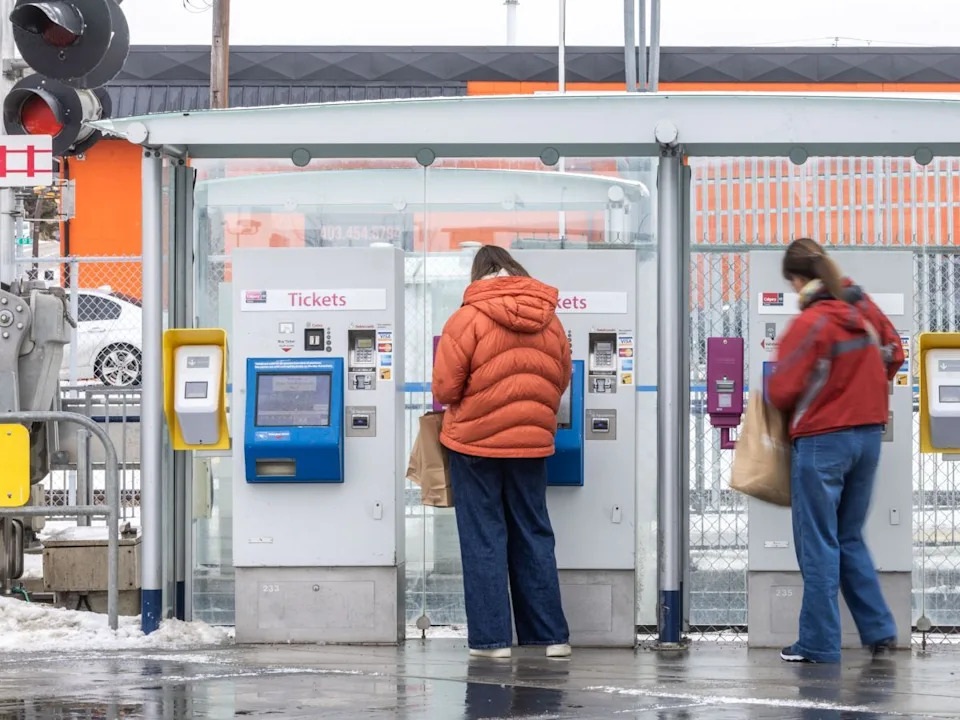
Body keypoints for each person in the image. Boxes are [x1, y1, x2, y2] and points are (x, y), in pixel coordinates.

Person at [767, 238, 904, 664]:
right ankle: (879, 629)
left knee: (819, 543)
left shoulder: (812, 323)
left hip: (823, 440)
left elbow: (782, 388)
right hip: (867, 437)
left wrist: (823, 394)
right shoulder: (865, 311)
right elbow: (895, 353)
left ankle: (818, 643)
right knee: (849, 536)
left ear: (797, 280)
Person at [432, 245, 572, 659]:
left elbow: (444, 389)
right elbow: (560, 379)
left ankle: (492, 642)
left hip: (475, 444)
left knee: (484, 537)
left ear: (479, 274)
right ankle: (550, 637)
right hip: (531, 444)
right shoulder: (550, 320)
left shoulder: (466, 318)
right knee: (533, 532)